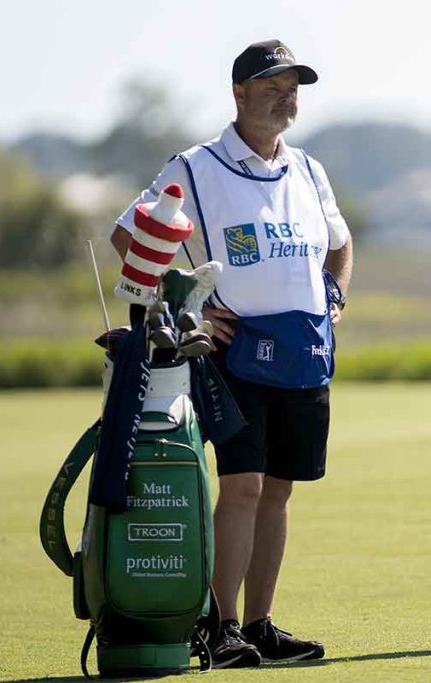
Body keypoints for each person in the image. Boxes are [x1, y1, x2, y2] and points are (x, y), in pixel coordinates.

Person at [110, 39, 353, 667]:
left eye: (292, 86)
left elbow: (339, 244)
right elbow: (129, 234)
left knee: (279, 490)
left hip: (303, 350)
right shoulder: (194, 167)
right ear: (239, 94)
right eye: (270, 86)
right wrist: (184, 307)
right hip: (235, 349)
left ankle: (259, 624)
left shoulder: (308, 168)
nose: (284, 97)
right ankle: (217, 630)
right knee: (242, 484)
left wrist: (335, 302)